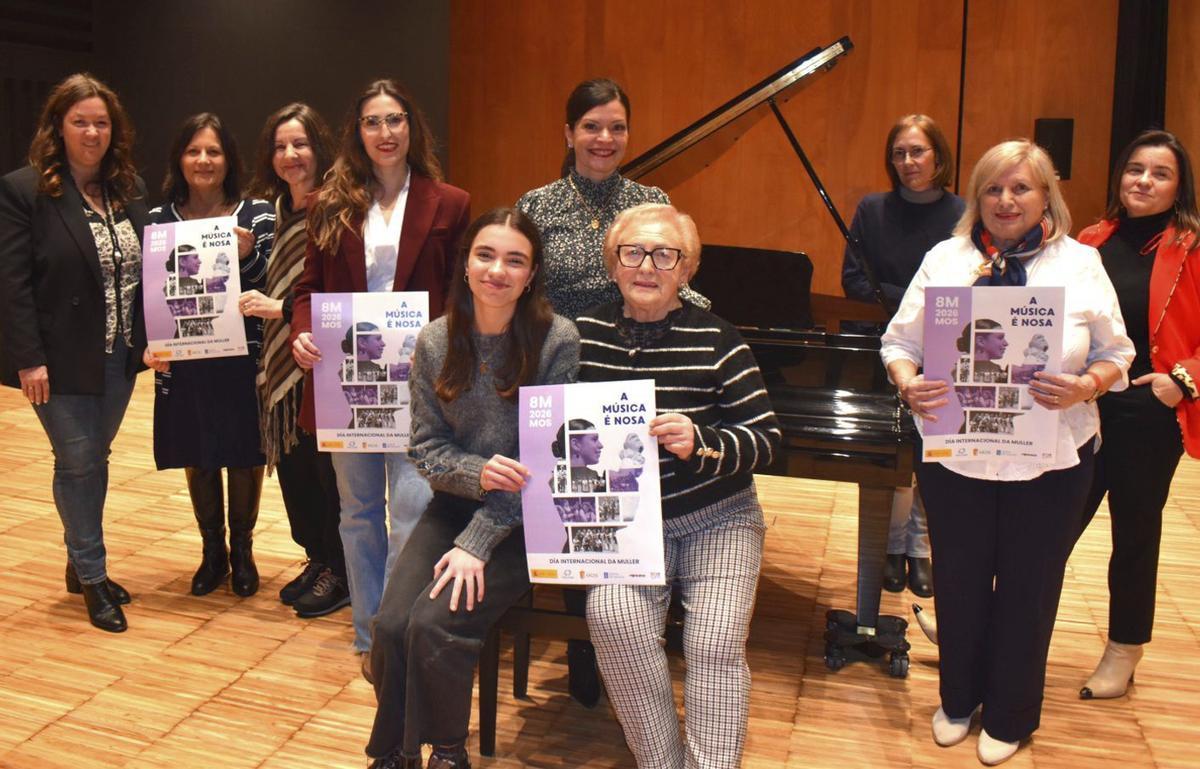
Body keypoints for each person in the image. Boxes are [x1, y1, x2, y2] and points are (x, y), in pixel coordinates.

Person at [881, 139, 1134, 765]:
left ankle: (1013, 712)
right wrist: (908, 381)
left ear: (1046, 195)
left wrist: (1086, 383)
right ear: (978, 196)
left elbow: (1118, 352)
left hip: (1052, 457)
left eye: (1021, 187)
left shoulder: (1079, 264)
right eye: (993, 188)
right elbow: (897, 342)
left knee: (1030, 586)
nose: (1006, 200)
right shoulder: (946, 258)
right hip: (955, 455)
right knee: (960, 581)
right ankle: (958, 700)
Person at [363, 207, 579, 769]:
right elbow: (426, 449)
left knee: (436, 624)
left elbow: (547, 461)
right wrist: (475, 474)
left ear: (531, 274)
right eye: (485, 255)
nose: (497, 271)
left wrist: (478, 543)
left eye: (515, 260)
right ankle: (395, 752)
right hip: (454, 507)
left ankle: (448, 752)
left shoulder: (556, 340)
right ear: (466, 264)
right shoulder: (436, 341)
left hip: (530, 519)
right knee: (388, 626)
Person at [517, 76, 709, 704]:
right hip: (570, 380)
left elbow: (671, 274)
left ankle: (636, 637)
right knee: (584, 513)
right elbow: (519, 292)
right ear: (568, 133)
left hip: (637, 374)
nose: (604, 138)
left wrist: (712, 323)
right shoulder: (537, 206)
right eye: (592, 126)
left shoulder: (649, 197)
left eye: (617, 127)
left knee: (633, 506)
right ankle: (582, 644)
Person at [577, 203, 781, 769]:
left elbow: (766, 439)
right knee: (612, 619)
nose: (648, 266)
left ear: (686, 270)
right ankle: (663, 762)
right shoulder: (581, 338)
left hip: (718, 515)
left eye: (665, 255)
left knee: (713, 645)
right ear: (612, 264)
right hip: (623, 528)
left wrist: (704, 441)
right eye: (633, 252)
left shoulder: (721, 340)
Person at [290, 79, 470, 663]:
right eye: (373, 122)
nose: (385, 132)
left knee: (414, 508)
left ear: (411, 128)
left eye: (395, 120)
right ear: (358, 132)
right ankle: (368, 634)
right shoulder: (328, 203)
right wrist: (301, 332)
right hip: (350, 381)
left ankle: (397, 629)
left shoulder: (451, 202)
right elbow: (307, 289)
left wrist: (447, 347)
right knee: (358, 512)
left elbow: (458, 293)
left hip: (420, 383)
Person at [0, 73, 149, 632]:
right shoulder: (24, 191)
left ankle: (79, 558)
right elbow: (11, 285)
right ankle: (93, 577)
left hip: (118, 356)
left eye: (102, 122)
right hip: (58, 362)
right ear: (58, 127)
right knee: (80, 461)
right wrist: (28, 359)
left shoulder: (128, 190)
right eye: (80, 121)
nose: (92, 131)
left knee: (95, 461)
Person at [1073, 129, 1200, 700]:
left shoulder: (1193, 247)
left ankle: (1124, 651)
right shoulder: (1089, 240)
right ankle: (999, 630)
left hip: (1148, 412)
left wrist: (1181, 382)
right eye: (1134, 169)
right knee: (1049, 525)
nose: (1143, 181)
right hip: (1082, 406)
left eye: (1160, 173)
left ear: (1179, 188)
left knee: (1134, 533)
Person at [143, 112, 275, 598]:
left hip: (244, 358)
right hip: (185, 359)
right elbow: (149, 291)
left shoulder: (258, 213)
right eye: (194, 151)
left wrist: (245, 257)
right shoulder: (158, 221)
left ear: (228, 160)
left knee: (245, 453)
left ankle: (242, 550)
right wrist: (150, 343)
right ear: (179, 159)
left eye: (213, 151)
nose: (203, 160)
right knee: (196, 452)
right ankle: (211, 551)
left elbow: (272, 282)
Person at [842, 114, 965, 598]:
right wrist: (916, 300)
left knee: (935, 455)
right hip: (889, 346)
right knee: (894, 457)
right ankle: (891, 547)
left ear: (939, 156)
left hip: (950, 345)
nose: (909, 162)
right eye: (899, 153)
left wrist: (917, 301)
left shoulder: (966, 210)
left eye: (918, 152)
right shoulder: (872, 209)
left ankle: (920, 548)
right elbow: (852, 280)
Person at [239, 102, 348, 617]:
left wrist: (279, 308)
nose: (290, 155)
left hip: (323, 358)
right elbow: (276, 273)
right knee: (296, 469)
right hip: (285, 363)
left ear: (319, 148)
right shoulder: (278, 208)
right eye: (280, 146)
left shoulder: (337, 207)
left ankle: (341, 568)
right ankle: (317, 556)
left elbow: (341, 291)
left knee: (329, 473)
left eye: (300, 144)